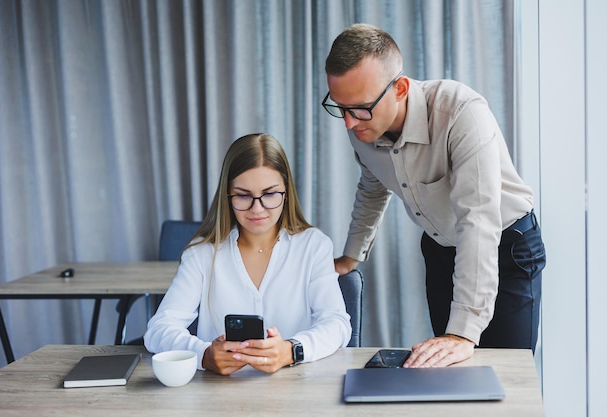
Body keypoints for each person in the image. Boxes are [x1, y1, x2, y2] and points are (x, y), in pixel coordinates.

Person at [323, 23, 546, 368]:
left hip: (506, 246)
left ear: (399, 88)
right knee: (452, 375)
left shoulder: (460, 113)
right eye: (340, 107)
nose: (349, 124)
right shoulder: (362, 122)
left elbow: (478, 219)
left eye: (360, 108)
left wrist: (464, 331)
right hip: (442, 250)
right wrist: (351, 256)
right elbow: (372, 185)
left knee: (508, 376)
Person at [144, 133, 351, 375]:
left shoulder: (313, 246)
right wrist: (204, 355)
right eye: (243, 195)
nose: (257, 208)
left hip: (296, 392)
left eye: (270, 194)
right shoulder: (202, 253)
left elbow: (337, 324)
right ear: (227, 195)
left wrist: (291, 350)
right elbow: (159, 329)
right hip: (219, 398)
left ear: (287, 192)